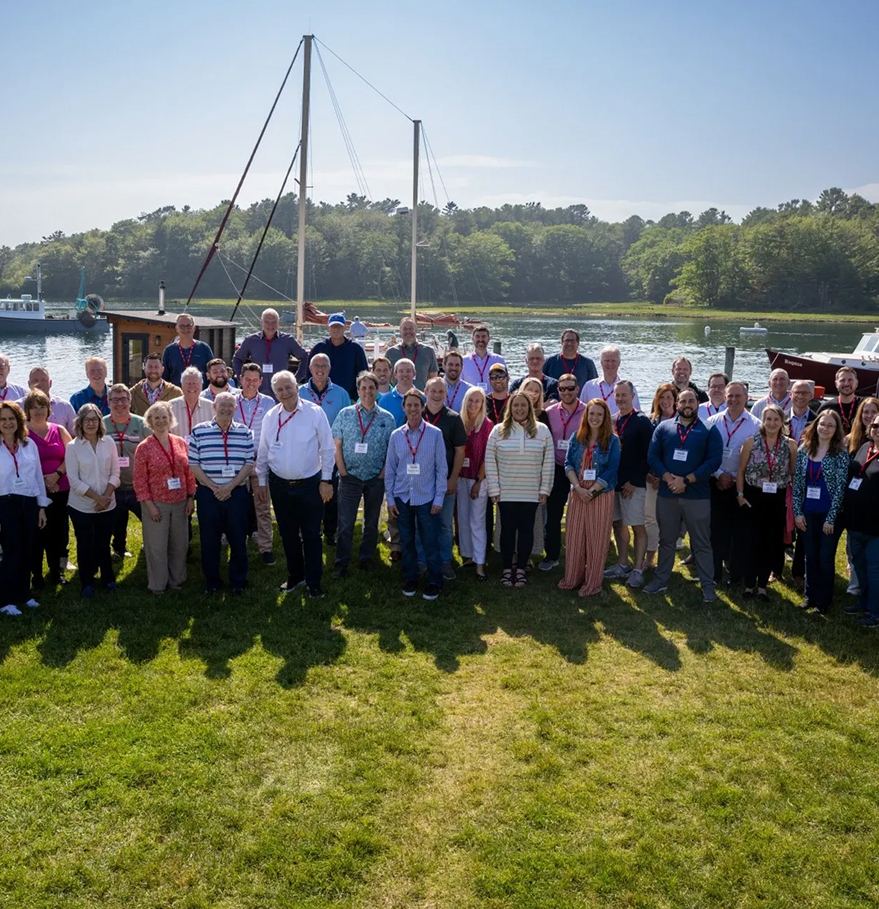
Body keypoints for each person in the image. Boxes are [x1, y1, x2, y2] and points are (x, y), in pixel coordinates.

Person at [256, 371, 334, 598]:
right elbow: (263, 450)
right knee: (288, 534)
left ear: (296, 387)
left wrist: (327, 480)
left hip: (310, 484)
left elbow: (327, 448)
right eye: (279, 389)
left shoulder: (314, 413)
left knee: (311, 534)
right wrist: (261, 481)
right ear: (274, 392)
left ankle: (314, 582)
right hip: (279, 485)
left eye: (288, 387)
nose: (284, 392)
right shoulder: (271, 416)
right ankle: (295, 576)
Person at [644, 389, 723, 600]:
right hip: (667, 493)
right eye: (683, 401)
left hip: (697, 495)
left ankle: (708, 586)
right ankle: (661, 581)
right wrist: (669, 479)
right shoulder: (664, 427)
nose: (687, 404)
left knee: (701, 543)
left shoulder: (709, 429)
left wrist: (686, 479)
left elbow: (714, 461)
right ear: (677, 404)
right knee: (666, 540)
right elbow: (652, 457)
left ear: (698, 403)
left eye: (691, 400)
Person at [383, 389, 447, 600]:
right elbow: (390, 470)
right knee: (407, 540)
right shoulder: (396, 436)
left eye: (416, 405)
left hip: (426, 498)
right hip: (402, 498)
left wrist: (439, 498)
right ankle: (410, 578)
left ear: (423, 407)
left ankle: (434, 580)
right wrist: (391, 499)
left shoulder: (435, 434)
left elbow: (441, 469)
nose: (412, 409)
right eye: (408, 405)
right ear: (404, 408)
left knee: (429, 540)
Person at [484, 392, 554, 588]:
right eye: (516, 406)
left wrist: (545, 489)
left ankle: (521, 569)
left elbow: (548, 463)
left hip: (531, 492)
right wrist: (494, 489)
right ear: (510, 408)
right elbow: (490, 461)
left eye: (523, 405)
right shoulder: (498, 431)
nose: (520, 409)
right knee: (506, 531)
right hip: (506, 492)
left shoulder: (542, 431)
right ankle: (507, 568)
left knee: (526, 531)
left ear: (530, 408)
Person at [188, 392, 254, 595]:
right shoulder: (198, 431)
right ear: (214, 407)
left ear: (235, 409)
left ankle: (238, 581)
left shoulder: (245, 432)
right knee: (209, 539)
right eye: (222, 405)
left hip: (237, 494)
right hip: (209, 494)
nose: (226, 409)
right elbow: (194, 464)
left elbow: (249, 463)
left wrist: (230, 486)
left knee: (238, 538)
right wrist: (213, 487)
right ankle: (213, 582)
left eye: (230, 406)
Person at [332, 370, 396, 577]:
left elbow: (391, 450)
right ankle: (342, 561)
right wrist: (342, 471)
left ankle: (366, 557)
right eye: (363, 388)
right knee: (345, 522)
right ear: (358, 390)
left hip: (375, 478)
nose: (367, 392)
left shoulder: (387, 418)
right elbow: (337, 445)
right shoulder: (345, 414)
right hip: (350, 477)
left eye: (371, 388)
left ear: (377, 391)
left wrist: (383, 473)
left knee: (372, 521)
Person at [558, 399, 620, 597]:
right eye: (591, 414)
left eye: (599, 415)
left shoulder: (612, 440)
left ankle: (593, 582)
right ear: (586, 416)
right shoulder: (577, 438)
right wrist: (577, 487)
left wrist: (592, 490)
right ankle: (573, 578)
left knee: (596, 539)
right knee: (575, 537)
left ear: (605, 418)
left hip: (600, 494)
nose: (595, 418)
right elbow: (568, 464)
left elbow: (612, 470)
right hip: (578, 493)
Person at [134, 401, 196, 594]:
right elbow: (140, 480)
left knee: (179, 544)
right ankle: (158, 585)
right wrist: (149, 506)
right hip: (156, 504)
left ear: (171, 420)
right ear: (150, 421)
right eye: (156, 418)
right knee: (157, 547)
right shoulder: (144, 447)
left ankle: (177, 581)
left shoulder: (180, 443)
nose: (161, 421)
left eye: (164, 417)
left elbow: (189, 473)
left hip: (180, 502)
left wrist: (190, 497)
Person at [736, 405, 797, 599]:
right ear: (763, 421)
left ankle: (762, 585)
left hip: (776, 500)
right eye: (768, 419)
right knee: (750, 541)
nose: (771, 423)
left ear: (782, 422)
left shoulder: (790, 445)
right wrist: (740, 495)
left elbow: (793, 473)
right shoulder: (751, 443)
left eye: (776, 420)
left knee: (769, 542)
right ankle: (748, 584)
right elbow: (741, 471)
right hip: (753, 497)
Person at [792, 410, 849, 613]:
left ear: (836, 430)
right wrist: (797, 512)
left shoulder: (841, 453)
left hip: (828, 516)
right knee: (810, 555)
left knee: (825, 557)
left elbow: (841, 488)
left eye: (830, 426)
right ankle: (810, 596)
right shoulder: (803, 450)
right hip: (807, 512)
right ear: (816, 425)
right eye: (822, 424)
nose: (825, 428)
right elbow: (798, 484)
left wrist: (831, 518)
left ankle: (823, 601)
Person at [707, 382, 760, 587]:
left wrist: (734, 478)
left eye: (738, 396)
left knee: (738, 531)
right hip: (715, 482)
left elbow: (756, 458)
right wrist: (719, 474)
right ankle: (714, 573)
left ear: (746, 398)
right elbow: (707, 453)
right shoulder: (712, 422)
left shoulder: (755, 425)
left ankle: (735, 574)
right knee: (715, 529)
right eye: (730, 396)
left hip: (741, 486)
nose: (733, 400)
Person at [65, 403, 120, 598]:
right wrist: (97, 498)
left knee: (103, 543)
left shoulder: (109, 442)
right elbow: (74, 480)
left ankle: (108, 579)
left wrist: (105, 497)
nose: (91, 423)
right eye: (86, 419)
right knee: (85, 544)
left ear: (100, 421)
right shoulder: (73, 447)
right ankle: (87, 582)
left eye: (94, 419)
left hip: (108, 504)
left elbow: (115, 473)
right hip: (81, 507)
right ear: (80, 422)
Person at [603, 381, 654, 588]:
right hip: (615, 484)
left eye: (624, 395)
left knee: (637, 526)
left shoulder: (642, 421)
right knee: (618, 524)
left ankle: (638, 569)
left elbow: (649, 455)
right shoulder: (613, 420)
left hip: (634, 485)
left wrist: (634, 481)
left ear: (633, 396)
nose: (621, 399)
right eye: (617, 395)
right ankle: (622, 564)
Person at [0, 402, 48, 614]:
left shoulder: (29, 445)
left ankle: (24, 594)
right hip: (5, 503)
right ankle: (6, 600)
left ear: (19, 421)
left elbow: (37, 475)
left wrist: (41, 506)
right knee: (11, 551)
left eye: (12, 419)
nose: (8, 423)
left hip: (28, 502)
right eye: (3, 419)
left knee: (28, 548)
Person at [300, 352, 350, 546]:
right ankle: (309, 531)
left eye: (324, 366)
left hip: (332, 452)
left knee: (331, 493)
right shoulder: (300, 392)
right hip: (306, 452)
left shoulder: (341, 394)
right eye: (316, 366)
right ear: (310, 369)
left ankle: (330, 532)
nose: (320, 370)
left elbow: (347, 422)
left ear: (329, 369)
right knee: (308, 495)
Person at [24, 390, 72, 590]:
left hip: (61, 489)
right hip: (34, 491)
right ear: (27, 411)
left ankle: (55, 571)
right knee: (36, 534)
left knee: (58, 532)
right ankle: (36, 576)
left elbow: (72, 456)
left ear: (48, 409)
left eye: (42, 406)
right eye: (33, 407)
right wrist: (41, 483)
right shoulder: (23, 434)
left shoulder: (59, 430)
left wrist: (57, 475)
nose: (38, 411)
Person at [420, 377, 467, 579]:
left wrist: (453, 478)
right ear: (425, 392)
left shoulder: (454, 418)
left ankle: (445, 560)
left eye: (441, 392)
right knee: (420, 523)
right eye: (433, 391)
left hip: (444, 481)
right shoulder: (416, 414)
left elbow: (460, 451)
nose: (437, 395)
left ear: (446, 394)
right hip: (420, 482)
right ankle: (421, 561)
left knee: (444, 524)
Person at [541, 374, 585, 571]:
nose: (566, 392)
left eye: (570, 388)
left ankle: (582, 554)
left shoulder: (587, 411)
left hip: (582, 469)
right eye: (562, 389)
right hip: (557, 468)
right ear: (557, 391)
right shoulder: (549, 412)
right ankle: (552, 556)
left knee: (580, 515)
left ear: (577, 388)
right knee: (553, 514)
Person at [236, 362, 277, 564]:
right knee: (237, 505)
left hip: (261, 462)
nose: (251, 383)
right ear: (240, 379)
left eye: (255, 380)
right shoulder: (231, 401)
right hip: (237, 463)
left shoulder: (269, 403)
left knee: (262, 505)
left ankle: (266, 548)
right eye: (247, 379)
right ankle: (237, 544)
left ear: (261, 381)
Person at [842, 413, 879, 628]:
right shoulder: (865, 448)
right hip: (855, 521)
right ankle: (863, 603)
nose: (876, 429)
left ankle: (875, 611)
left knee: (875, 569)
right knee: (860, 565)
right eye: (874, 425)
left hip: (876, 526)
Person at [104, 384, 150, 561]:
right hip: (113, 485)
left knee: (149, 518)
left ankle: (151, 545)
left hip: (138, 485)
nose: (120, 404)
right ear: (108, 402)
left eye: (124, 399)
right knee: (117, 521)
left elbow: (151, 451)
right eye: (115, 400)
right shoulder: (102, 424)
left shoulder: (142, 424)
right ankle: (118, 550)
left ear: (130, 401)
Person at [457, 386, 493, 581]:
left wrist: (479, 481)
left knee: (477, 521)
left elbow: (488, 456)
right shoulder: (460, 422)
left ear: (482, 404)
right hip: (460, 476)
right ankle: (468, 557)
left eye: (477, 401)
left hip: (478, 478)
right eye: (470, 400)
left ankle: (480, 564)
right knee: (462, 519)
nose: (473, 404)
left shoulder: (488, 426)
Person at [643, 383, 679, 573]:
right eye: (662, 398)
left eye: (669, 398)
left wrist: (667, 477)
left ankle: (668, 559)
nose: (665, 402)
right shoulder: (650, 422)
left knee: (670, 521)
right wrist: (650, 474)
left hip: (673, 480)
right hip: (651, 478)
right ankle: (650, 558)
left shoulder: (683, 423)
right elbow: (645, 451)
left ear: (675, 401)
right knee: (650, 518)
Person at [232, 307, 309, 395]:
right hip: (257, 392)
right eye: (267, 322)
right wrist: (241, 379)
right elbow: (237, 359)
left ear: (278, 322)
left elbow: (305, 357)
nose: (270, 326)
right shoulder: (251, 340)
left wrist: (295, 379)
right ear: (261, 321)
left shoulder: (288, 340)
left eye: (274, 322)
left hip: (281, 393)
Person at [306, 312, 369, 401]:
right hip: (322, 399)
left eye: (339, 326)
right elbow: (309, 374)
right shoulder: (319, 348)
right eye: (333, 326)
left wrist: (357, 398)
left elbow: (363, 375)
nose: (336, 329)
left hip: (349, 398)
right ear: (328, 327)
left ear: (345, 327)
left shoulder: (355, 349)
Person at [580, 345, 640, 415]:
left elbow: (637, 413)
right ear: (601, 363)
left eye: (613, 361)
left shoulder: (628, 388)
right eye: (607, 360)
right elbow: (582, 413)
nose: (610, 364)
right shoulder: (589, 386)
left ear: (619, 363)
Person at [18, 367, 76, 436]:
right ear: (29, 384)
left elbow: (75, 435)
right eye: (35, 380)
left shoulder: (65, 406)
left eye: (44, 380)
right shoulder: (18, 407)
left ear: (50, 383)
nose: (39, 384)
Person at [386, 317, 439, 390]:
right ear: (400, 331)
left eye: (411, 328)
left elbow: (433, 378)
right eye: (405, 329)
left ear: (416, 330)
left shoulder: (428, 351)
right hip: (398, 398)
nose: (408, 331)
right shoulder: (391, 353)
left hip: (421, 398)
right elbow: (387, 379)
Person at [162, 313, 214, 386]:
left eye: (189, 326)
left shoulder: (204, 348)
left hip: (200, 393)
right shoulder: (169, 350)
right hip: (177, 394)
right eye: (182, 326)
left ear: (194, 328)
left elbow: (212, 373)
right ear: (176, 328)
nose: (185, 329)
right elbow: (164, 377)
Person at [170, 366, 215, 441]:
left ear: (201, 385)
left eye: (195, 383)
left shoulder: (211, 407)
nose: (192, 386)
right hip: (178, 451)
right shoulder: (170, 407)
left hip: (203, 451)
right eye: (188, 383)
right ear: (182, 385)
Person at [817, 366, 862, 434]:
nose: (846, 384)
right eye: (842, 380)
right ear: (836, 384)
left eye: (850, 380)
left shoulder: (865, 405)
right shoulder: (827, 407)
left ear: (856, 383)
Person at [461, 324, 506, 390]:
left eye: (483, 336)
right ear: (472, 339)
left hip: (492, 399)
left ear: (489, 339)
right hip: (472, 400)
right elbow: (459, 385)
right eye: (477, 336)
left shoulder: (499, 360)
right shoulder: (463, 361)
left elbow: (505, 384)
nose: (480, 339)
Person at [378, 358, 416, 427]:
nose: (405, 374)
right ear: (395, 374)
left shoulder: (423, 399)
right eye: (401, 371)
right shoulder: (384, 401)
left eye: (408, 371)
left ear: (414, 374)